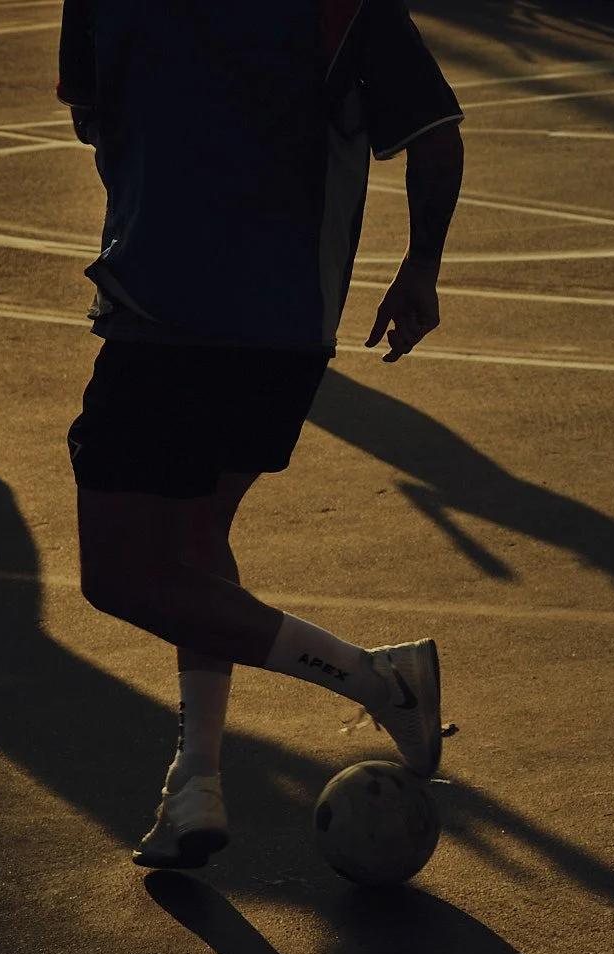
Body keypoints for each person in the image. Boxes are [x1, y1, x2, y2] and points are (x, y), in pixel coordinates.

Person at [56, 1, 464, 868]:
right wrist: (419, 269)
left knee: (120, 572)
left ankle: (378, 680)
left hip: (169, 314)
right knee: (197, 539)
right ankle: (194, 782)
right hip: (283, 328)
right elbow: (434, 135)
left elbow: (98, 120)